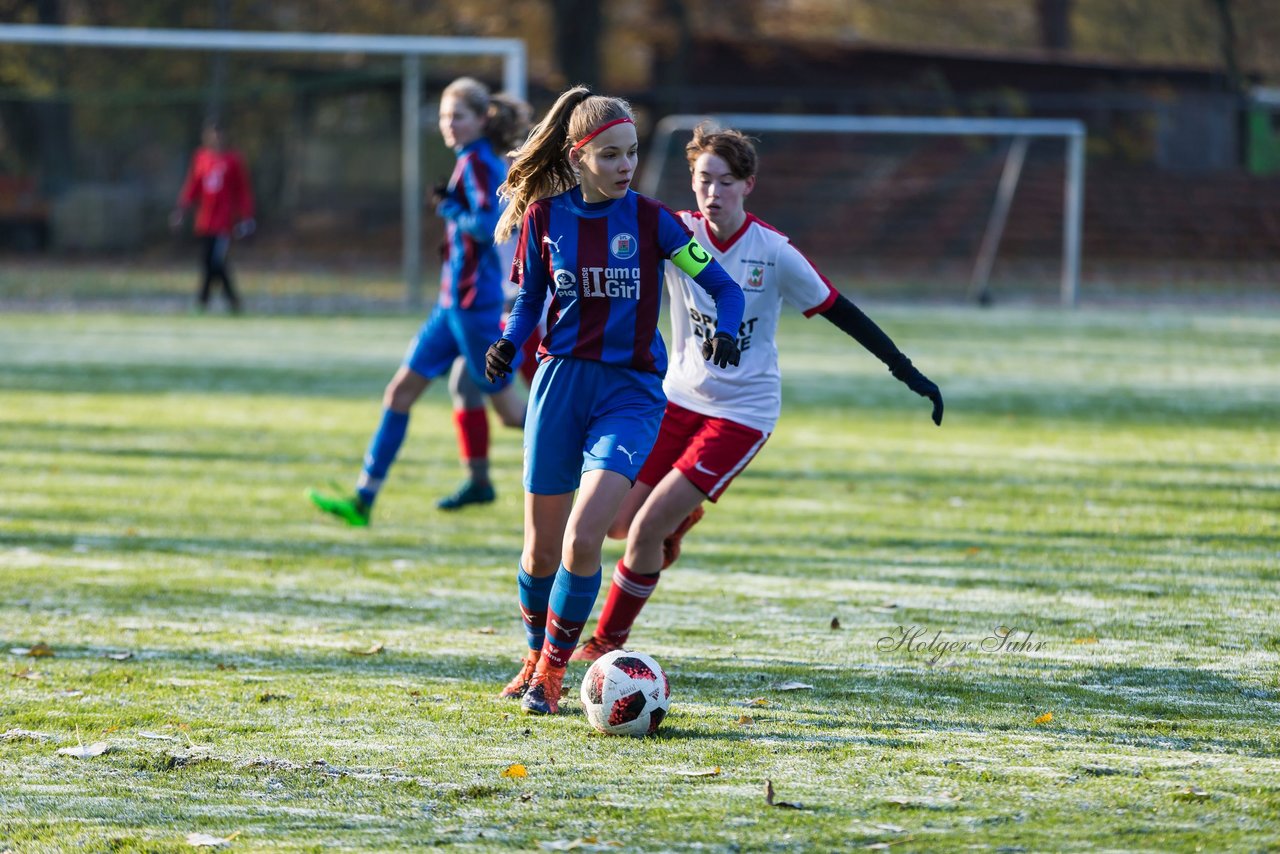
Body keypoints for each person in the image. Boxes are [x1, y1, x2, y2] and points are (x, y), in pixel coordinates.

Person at [572, 124, 944, 662]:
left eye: (725, 182)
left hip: (741, 413)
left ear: (748, 185)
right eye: (704, 180)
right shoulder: (673, 233)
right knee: (615, 524)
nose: (713, 193)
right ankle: (679, 521)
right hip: (676, 398)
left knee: (645, 531)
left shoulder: (773, 253)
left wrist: (906, 370)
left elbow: (840, 310)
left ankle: (606, 642)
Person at [485, 87, 746, 716]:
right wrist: (507, 343)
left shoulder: (653, 220)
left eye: (630, 153)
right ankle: (532, 655)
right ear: (578, 159)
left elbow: (723, 286)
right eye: (611, 156)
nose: (626, 166)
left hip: (629, 394)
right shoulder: (546, 220)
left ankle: (553, 671)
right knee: (539, 551)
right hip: (559, 386)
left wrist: (729, 329)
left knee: (584, 534)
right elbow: (530, 301)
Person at [308, 78, 529, 525]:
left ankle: (599, 450)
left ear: (480, 119)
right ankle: (363, 499)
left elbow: (490, 227)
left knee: (511, 415)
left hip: (472, 308)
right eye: (445, 116)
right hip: (450, 306)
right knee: (400, 392)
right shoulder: (469, 160)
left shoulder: (480, 163)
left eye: (458, 116)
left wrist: (449, 210)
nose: (448, 124)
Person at [171, 120, 255, 313]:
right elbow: (193, 186)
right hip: (204, 221)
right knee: (208, 262)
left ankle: (210, 301)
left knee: (216, 262)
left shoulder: (233, 160)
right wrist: (181, 210)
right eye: (212, 134)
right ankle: (222, 302)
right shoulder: (201, 158)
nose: (216, 138)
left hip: (224, 222)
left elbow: (243, 191)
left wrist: (247, 217)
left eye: (219, 134)